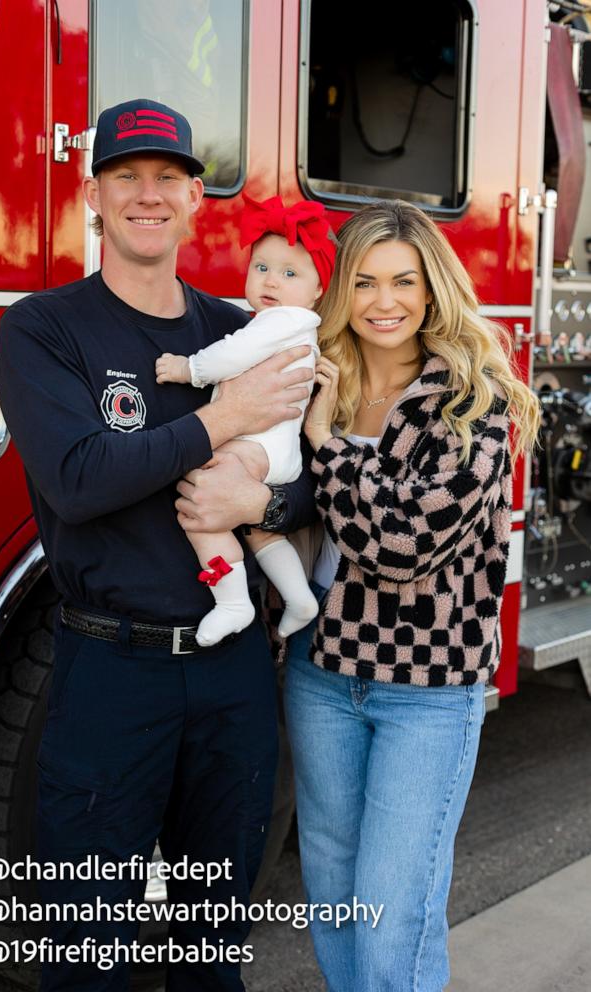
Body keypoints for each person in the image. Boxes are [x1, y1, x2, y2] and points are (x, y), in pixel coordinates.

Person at [0, 98, 316, 992]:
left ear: (194, 198)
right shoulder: (42, 328)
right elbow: (79, 479)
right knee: (83, 951)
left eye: (166, 178)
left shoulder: (234, 329)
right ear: (90, 195)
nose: (147, 195)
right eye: (125, 177)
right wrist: (225, 419)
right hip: (111, 674)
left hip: (234, 677)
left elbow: (313, 477)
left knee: (211, 952)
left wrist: (266, 493)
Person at [283, 199, 541, 992]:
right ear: (339, 292)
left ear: (432, 290)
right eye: (362, 282)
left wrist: (326, 445)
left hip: (427, 688)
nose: (383, 301)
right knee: (331, 888)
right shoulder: (313, 378)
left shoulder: (473, 402)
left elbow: (400, 547)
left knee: (394, 908)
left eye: (403, 281)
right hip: (320, 672)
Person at [156, 193, 336, 646]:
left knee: (203, 507)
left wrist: (188, 369)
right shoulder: (296, 324)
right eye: (262, 268)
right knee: (255, 528)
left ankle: (233, 601)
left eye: (290, 273)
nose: (271, 281)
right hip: (275, 452)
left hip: (255, 447)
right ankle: (298, 597)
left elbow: (233, 355)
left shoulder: (279, 322)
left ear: (319, 289)